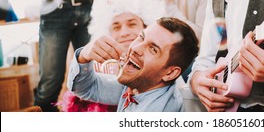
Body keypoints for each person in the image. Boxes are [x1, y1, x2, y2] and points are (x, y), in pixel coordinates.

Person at [58, 0, 164, 111]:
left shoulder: (166, 63)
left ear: (146, 27)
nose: (124, 32)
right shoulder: (104, 71)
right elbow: (83, 88)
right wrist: (83, 56)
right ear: (107, 33)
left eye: (132, 24)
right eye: (116, 27)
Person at [67, 17, 199, 112]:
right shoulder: (140, 83)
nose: (136, 48)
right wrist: (84, 56)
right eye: (141, 37)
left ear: (170, 73)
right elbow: (85, 88)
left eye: (153, 49)